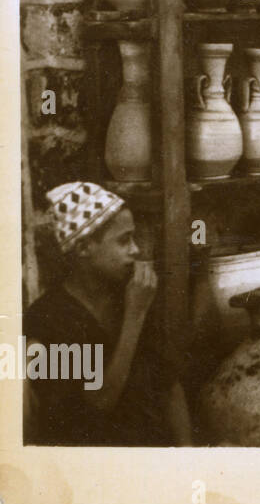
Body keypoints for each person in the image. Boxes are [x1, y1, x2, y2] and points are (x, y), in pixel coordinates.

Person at [24, 182, 191, 446]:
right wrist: (134, 316)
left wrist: (187, 455)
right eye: (124, 240)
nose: (135, 250)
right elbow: (98, 402)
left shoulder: (129, 294)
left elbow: (169, 386)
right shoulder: (47, 320)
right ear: (83, 248)